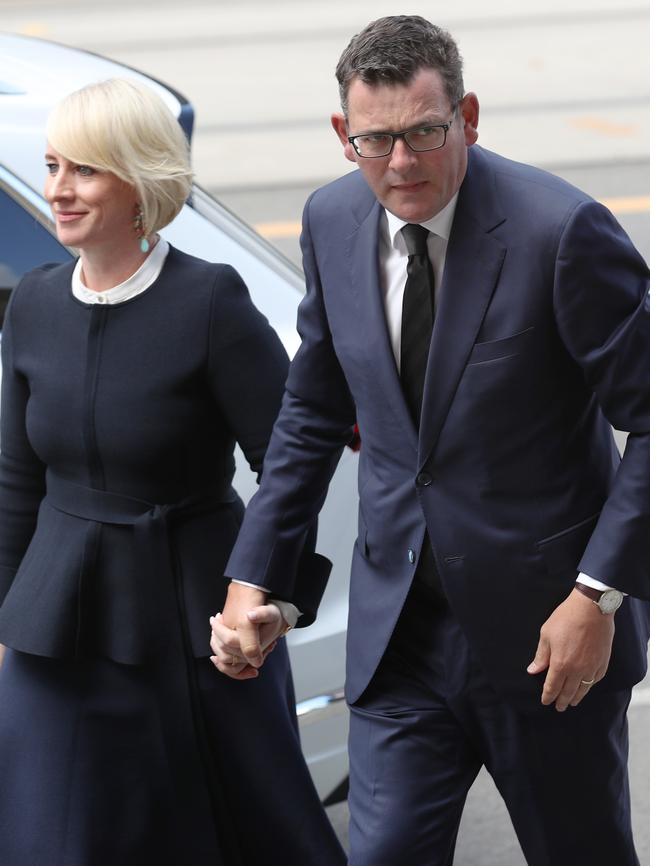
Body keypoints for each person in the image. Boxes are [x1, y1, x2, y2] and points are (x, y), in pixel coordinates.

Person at [211, 14, 650, 866]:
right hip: (400, 640)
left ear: (469, 116)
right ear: (344, 133)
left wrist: (598, 596)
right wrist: (252, 576)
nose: (400, 164)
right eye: (375, 141)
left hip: (547, 639)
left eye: (424, 133)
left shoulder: (561, 233)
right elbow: (309, 414)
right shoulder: (332, 221)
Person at [0, 78, 345, 866]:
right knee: (51, 837)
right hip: (58, 631)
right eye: (52, 166)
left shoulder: (211, 302)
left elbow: (290, 467)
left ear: (138, 183)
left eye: (83, 170)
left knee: (233, 837)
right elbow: (15, 483)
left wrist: (271, 603)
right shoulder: (35, 305)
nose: (58, 189)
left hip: (196, 629)